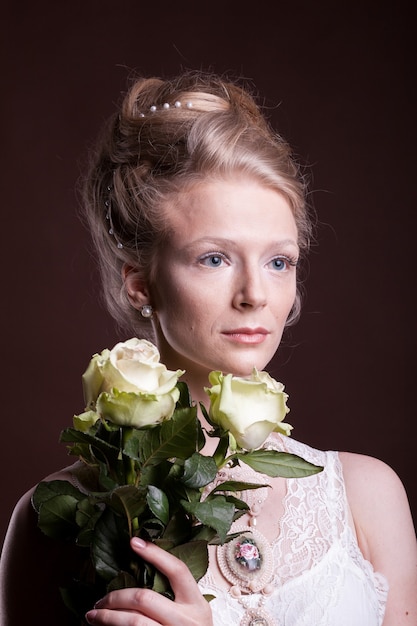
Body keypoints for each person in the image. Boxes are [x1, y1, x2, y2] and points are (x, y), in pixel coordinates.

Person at [1, 70, 416, 626]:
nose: (255, 295)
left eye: (278, 261)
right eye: (214, 258)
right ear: (139, 282)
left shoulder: (368, 498)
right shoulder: (61, 516)